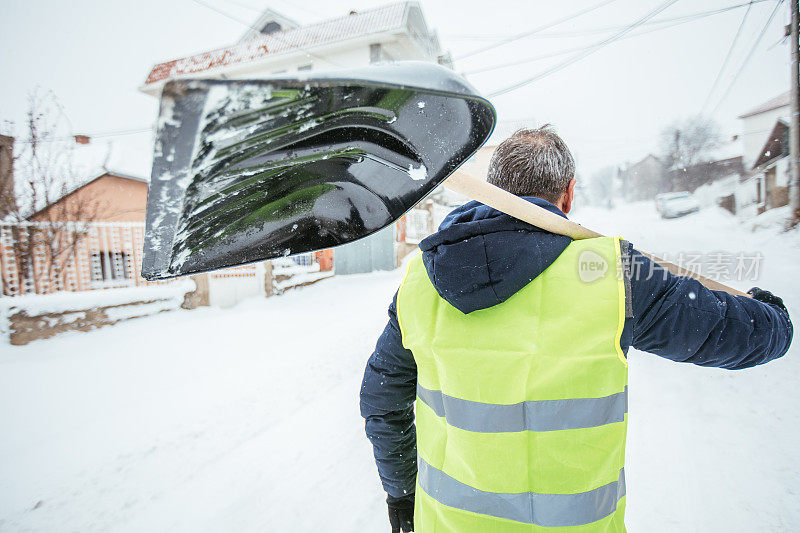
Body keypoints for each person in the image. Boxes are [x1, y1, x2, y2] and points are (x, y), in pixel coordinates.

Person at [359, 126, 793, 533]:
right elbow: (741, 336)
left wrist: (400, 494)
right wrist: (772, 314)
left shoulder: (420, 280)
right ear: (567, 194)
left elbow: (382, 395)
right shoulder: (611, 274)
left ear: (493, 191)